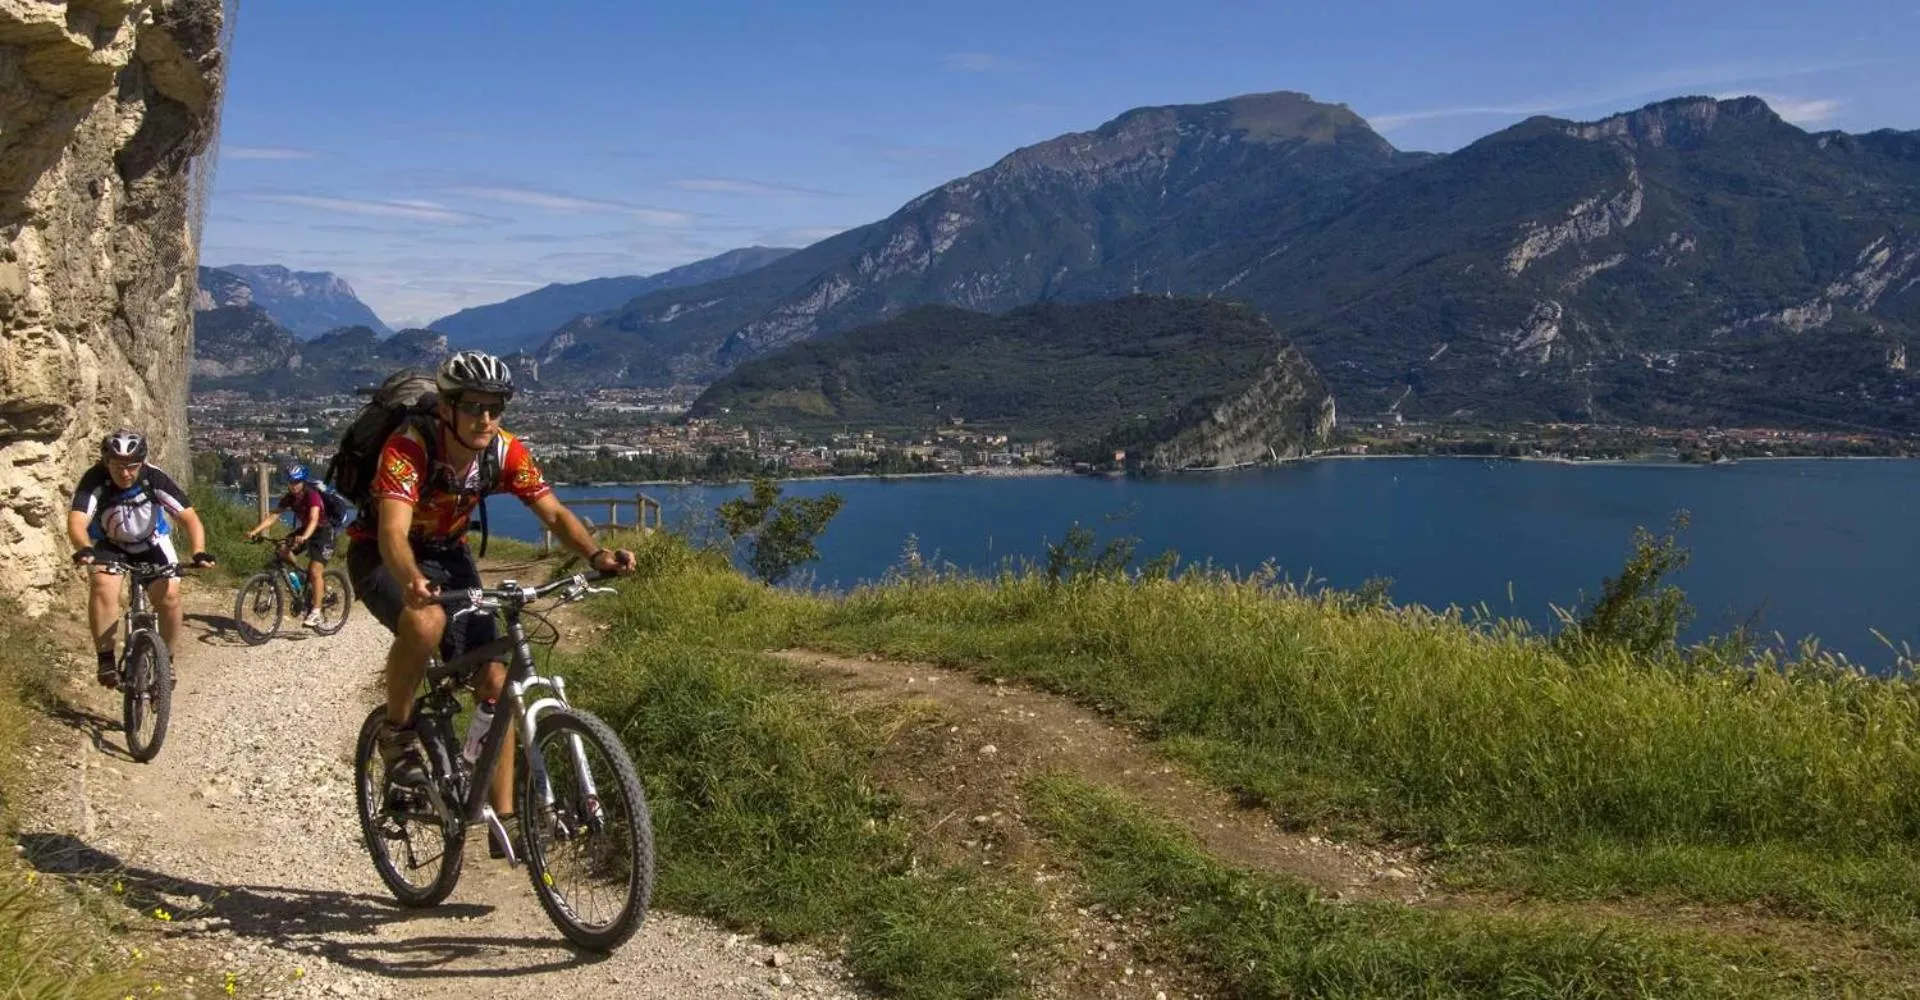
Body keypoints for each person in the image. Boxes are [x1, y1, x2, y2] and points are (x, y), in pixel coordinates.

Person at [345, 350, 634, 853]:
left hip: (447, 552)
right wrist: (410, 578)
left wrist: (597, 553)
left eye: (495, 408)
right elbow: (392, 532)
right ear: (446, 409)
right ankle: (396, 732)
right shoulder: (408, 449)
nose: (485, 419)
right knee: (427, 621)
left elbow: (554, 513)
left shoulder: (502, 451)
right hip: (380, 554)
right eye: (474, 407)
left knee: (498, 680)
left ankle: (505, 823)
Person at [67, 430, 216, 687]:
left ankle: (166, 659)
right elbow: (78, 520)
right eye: (118, 466)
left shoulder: (154, 478)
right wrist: (84, 547)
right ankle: (105, 659)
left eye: (132, 467)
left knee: (170, 597)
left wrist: (198, 551)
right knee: (103, 585)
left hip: (152, 543)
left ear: (142, 463)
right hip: (111, 544)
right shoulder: (95, 479)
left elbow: (189, 518)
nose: (125, 474)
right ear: (106, 462)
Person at [243, 463, 335, 628]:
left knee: (315, 570)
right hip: (304, 531)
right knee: (282, 550)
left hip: (322, 533)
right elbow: (274, 516)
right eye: (290, 482)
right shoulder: (289, 497)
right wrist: (255, 531)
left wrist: (305, 536)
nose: (292, 485)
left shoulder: (312, 495)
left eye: (296, 482)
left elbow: (314, 519)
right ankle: (302, 576)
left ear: (302, 481)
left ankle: (316, 613)